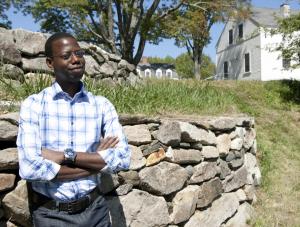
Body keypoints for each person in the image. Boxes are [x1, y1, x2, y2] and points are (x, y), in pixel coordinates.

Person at [17, 32, 131, 227]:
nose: (76, 59)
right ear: (50, 63)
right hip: (51, 215)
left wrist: (64, 156)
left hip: (96, 211)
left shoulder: (102, 105)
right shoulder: (34, 105)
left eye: (79, 53)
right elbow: (30, 168)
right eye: (67, 55)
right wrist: (95, 160)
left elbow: (122, 158)